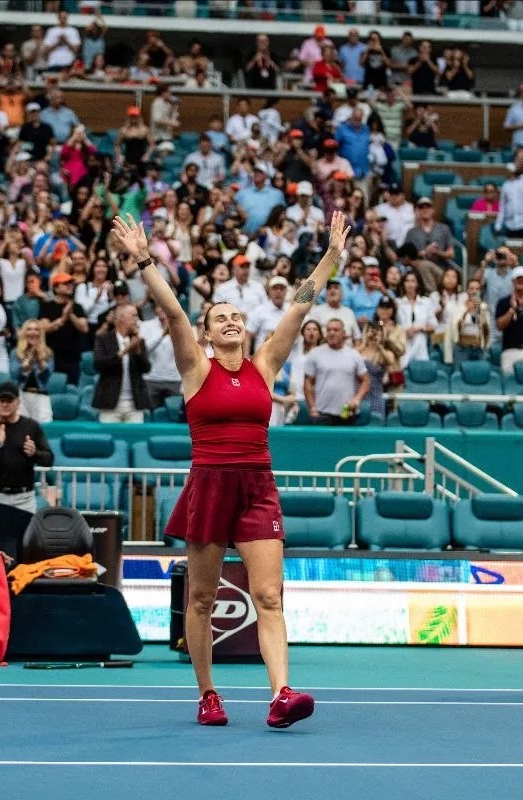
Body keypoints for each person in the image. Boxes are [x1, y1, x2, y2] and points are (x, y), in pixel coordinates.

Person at [107, 208, 350, 728]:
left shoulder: (265, 365)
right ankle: (208, 693)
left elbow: (299, 311)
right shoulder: (195, 368)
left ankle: (281, 693)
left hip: (258, 488)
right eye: (220, 317)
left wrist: (330, 257)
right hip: (211, 487)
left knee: (268, 594)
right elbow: (173, 313)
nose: (232, 320)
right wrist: (145, 260)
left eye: (236, 315)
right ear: (208, 332)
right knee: (201, 598)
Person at [0, 381, 54, 513]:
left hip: (24, 499)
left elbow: (49, 459)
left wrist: (34, 453)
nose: (5, 404)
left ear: (18, 402)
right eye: (2, 400)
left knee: (24, 534)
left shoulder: (31, 426)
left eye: (9, 400)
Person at [93, 305, 151, 423]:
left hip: (134, 403)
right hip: (110, 401)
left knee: (135, 439)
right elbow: (98, 365)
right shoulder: (103, 339)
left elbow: (146, 368)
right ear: (121, 318)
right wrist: (123, 352)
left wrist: (138, 352)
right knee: (107, 438)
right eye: (134, 315)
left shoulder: (139, 341)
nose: (137, 319)